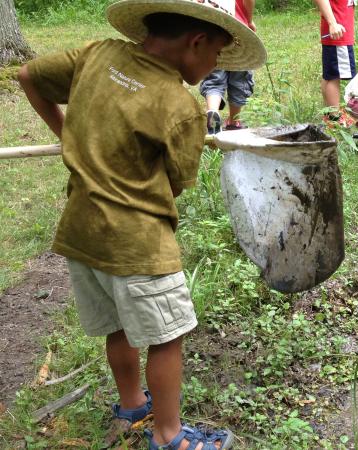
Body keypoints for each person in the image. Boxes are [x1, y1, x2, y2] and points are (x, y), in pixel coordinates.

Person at [16, 0, 265, 448]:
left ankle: (132, 403)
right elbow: (178, 182)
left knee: (118, 325)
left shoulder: (97, 54)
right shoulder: (180, 107)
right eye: (216, 56)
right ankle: (169, 436)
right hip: (138, 244)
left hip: (81, 229)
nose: (215, 66)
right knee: (169, 336)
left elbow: (29, 76)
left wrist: (70, 137)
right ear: (196, 41)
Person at [200, 0, 257, 134]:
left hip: (212, 24)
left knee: (214, 76)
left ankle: (212, 112)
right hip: (237, 26)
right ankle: (233, 121)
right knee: (240, 76)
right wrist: (249, 20)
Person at [313, 0, 356, 119]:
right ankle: (335, 118)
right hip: (338, 31)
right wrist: (333, 23)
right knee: (333, 77)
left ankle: (329, 116)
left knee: (329, 75)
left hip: (340, 30)